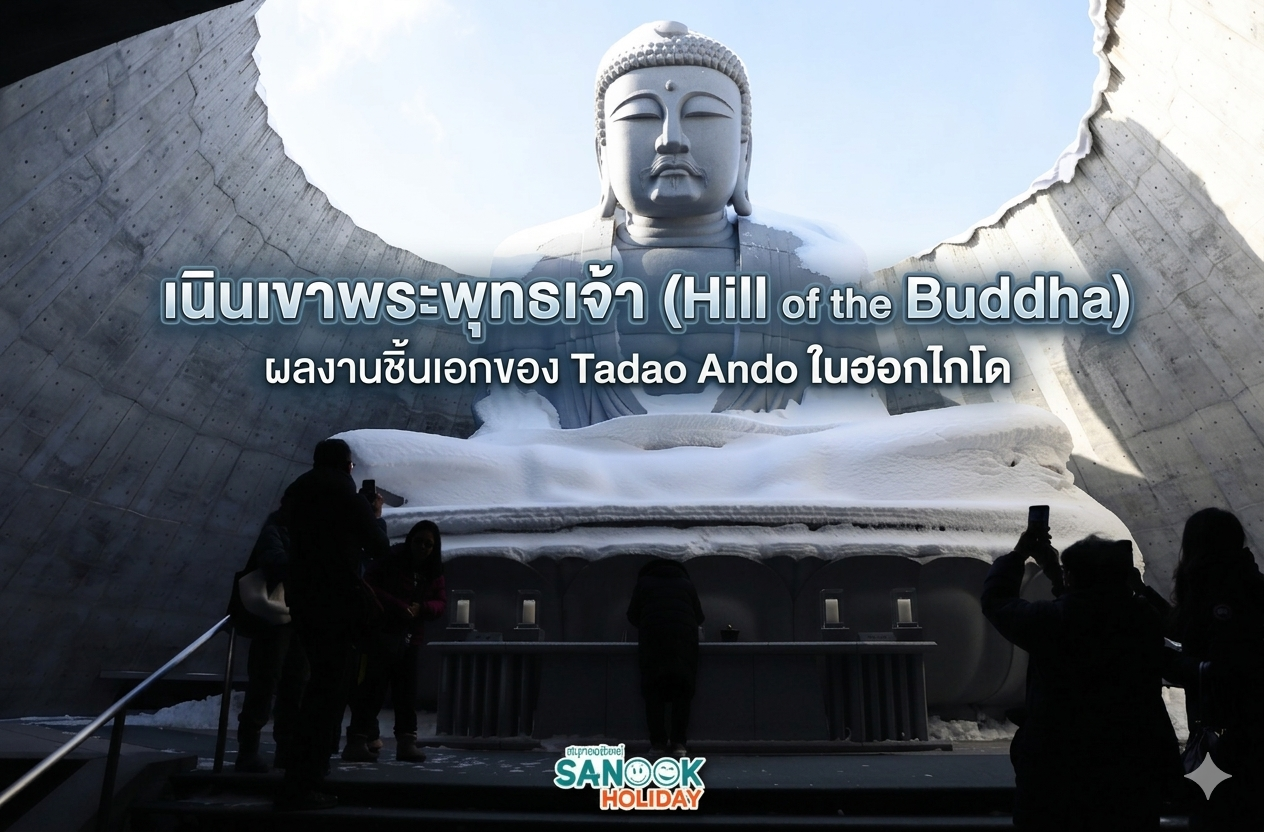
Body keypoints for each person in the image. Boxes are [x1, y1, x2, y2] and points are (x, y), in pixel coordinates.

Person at [485, 20, 876, 427]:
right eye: (640, 117)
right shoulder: (539, 274)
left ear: (745, 151)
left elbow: (856, 433)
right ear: (603, 154)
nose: (671, 139)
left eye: (702, 114)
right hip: (577, 483)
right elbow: (509, 434)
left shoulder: (814, 269)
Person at [981, 531, 1180, 831]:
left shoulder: (1051, 621)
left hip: (1057, 766)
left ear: (1072, 577)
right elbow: (1100, 608)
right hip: (1131, 763)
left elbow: (997, 600)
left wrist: (1019, 555)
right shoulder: (1143, 618)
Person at [274, 438, 390, 812]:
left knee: (313, 686)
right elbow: (378, 547)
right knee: (329, 690)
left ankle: (297, 770)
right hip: (336, 603)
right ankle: (307, 779)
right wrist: (372, 514)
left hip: (302, 599)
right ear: (346, 466)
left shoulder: (298, 495)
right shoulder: (345, 495)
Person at [1164, 508, 1264, 830]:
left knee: (1215, 812)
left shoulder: (1221, 593)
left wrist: (1171, 664)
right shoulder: (1243, 582)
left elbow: (1223, 666)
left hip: (1225, 737)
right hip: (1242, 735)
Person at [343, 520, 447, 763]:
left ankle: (398, 741)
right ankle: (362, 740)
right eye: (419, 542)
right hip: (382, 634)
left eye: (428, 544)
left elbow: (440, 602)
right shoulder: (392, 560)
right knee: (373, 690)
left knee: (405, 693)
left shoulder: (432, 571)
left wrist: (421, 608)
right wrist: (400, 607)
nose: (422, 548)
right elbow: (369, 585)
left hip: (408, 638)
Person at [233, 499, 309, 773]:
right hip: (277, 620)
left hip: (296, 616)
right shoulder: (277, 530)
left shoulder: (289, 531)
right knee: (267, 682)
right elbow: (275, 563)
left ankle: (281, 749)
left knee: (294, 684)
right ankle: (250, 751)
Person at [626, 558, 705, 759]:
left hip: (653, 642)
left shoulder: (644, 584)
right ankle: (679, 742)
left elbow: (632, 615)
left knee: (653, 692)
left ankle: (658, 743)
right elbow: (699, 616)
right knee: (682, 691)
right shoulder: (686, 584)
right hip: (683, 643)